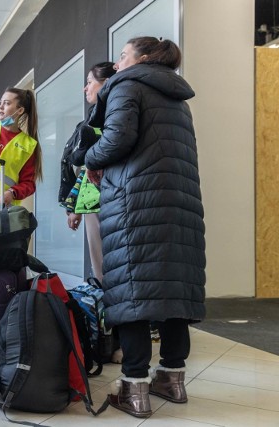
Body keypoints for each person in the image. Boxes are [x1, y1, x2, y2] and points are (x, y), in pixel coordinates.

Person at [84, 37, 206, 417]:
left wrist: (88, 156)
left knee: (133, 294)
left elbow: (118, 139)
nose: (118, 64)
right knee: (171, 294)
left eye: (123, 55)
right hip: (179, 203)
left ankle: (134, 388)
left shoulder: (128, 86)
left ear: (144, 58)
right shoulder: (178, 99)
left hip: (135, 202)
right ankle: (172, 379)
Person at [60, 62, 116, 281]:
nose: (86, 88)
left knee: (102, 265)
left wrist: (77, 207)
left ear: (106, 85)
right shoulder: (97, 117)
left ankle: (106, 310)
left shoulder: (106, 119)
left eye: (90, 82)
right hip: (95, 200)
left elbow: (90, 167)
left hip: (100, 199)